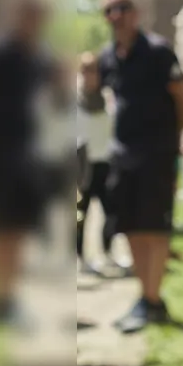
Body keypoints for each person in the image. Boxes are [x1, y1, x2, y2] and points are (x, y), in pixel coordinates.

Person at [0, 0, 64, 324]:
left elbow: (59, 90)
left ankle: (8, 295)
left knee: (18, 226)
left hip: (27, 152)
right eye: (29, 16)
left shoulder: (39, 57)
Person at [97, 0, 183, 332]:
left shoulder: (158, 52)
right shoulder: (108, 57)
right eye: (108, 11)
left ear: (135, 13)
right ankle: (147, 297)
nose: (116, 16)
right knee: (132, 228)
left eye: (121, 8)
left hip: (156, 154)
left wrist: (173, 136)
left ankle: (151, 300)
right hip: (123, 158)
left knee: (155, 228)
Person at [76, 51, 115, 273]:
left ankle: (108, 253)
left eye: (93, 70)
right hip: (82, 165)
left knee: (112, 213)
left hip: (106, 163)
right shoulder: (73, 99)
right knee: (81, 215)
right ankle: (81, 259)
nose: (89, 75)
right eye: (85, 70)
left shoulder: (108, 98)